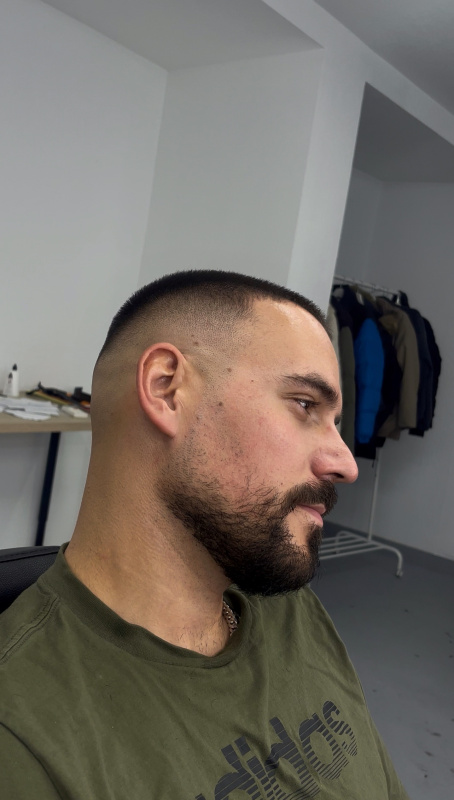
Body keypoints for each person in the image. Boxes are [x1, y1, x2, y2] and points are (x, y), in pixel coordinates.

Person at [0, 270, 409, 799]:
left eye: (334, 420)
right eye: (306, 404)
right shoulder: (23, 733)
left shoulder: (290, 608)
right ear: (166, 389)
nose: (346, 464)